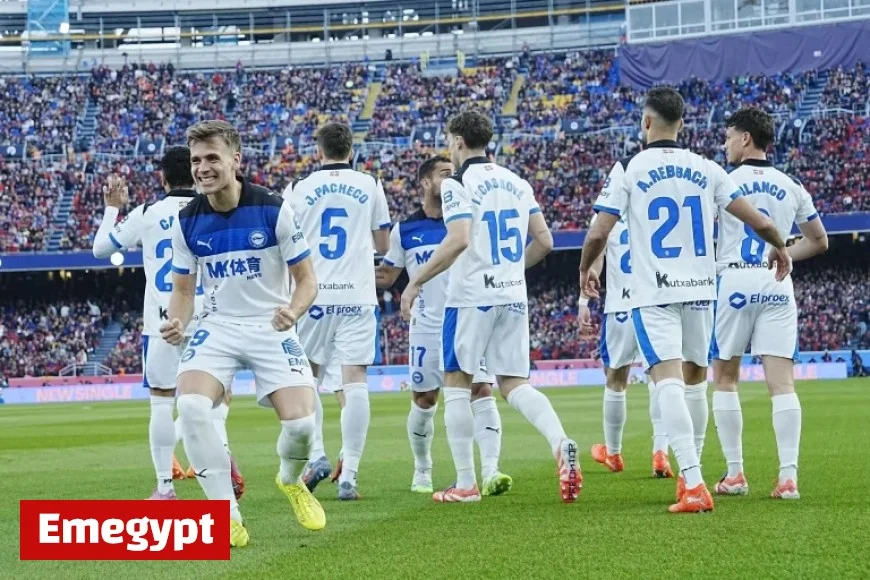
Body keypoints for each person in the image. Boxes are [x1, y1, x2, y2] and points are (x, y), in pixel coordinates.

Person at [579, 87, 793, 513]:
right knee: (696, 381)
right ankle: (686, 474)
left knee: (668, 382)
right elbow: (759, 220)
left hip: (655, 293)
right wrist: (781, 246)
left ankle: (693, 483)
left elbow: (600, 232)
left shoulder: (629, 167)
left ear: (646, 122)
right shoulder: (707, 168)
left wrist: (586, 267)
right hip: (700, 292)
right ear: (682, 124)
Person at [401, 110, 580, 504]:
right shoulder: (516, 181)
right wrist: (512, 270)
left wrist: (416, 281)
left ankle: (466, 483)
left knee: (457, 383)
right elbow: (545, 241)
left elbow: (459, 238)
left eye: (450, 141)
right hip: (512, 295)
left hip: (470, 298)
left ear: (459, 142)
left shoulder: (457, 182)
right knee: (514, 384)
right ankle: (560, 441)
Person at [160, 120, 324, 548]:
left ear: (236, 159)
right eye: (196, 160)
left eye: (212, 158)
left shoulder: (273, 208)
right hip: (216, 327)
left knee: (303, 426)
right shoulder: (186, 221)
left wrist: (293, 310)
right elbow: (182, 291)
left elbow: (307, 280)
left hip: (271, 325)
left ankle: (291, 481)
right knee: (192, 407)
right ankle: (223, 512)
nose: (202, 168)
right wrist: (177, 321)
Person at [91, 146, 244, 501]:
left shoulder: (147, 213)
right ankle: (221, 475)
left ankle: (164, 487)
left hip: (161, 322)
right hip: (209, 319)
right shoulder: (213, 209)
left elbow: (101, 248)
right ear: (195, 173)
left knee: (161, 401)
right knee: (216, 401)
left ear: (161, 178)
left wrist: (113, 207)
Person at [711, 107, 828, 500]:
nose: (725, 144)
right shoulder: (790, 183)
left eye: (729, 136)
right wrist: (784, 254)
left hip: (734, 279)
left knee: (725, 379)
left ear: (745, 138)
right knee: (783, 385)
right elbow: (820, 240)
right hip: (778, 283)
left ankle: (735, 475)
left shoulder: (723, 181)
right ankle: (788, 478)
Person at [377, 155, 511, 496]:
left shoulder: (466, 219)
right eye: (444, 173)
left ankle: (491, 469)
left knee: (481, 389)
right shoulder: (404, 230)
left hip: (469, 319)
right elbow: (388, 275)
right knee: (424, 399)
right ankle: (423, 468)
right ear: (425, 182)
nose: (452, 177)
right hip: (426, 324)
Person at [283, 122, 391, 501]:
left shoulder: (298, 188)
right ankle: (351, 476)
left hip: (312, 295)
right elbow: (383, 241)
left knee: (306, 380)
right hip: (358, 296)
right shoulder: (370, 184)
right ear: (351, 150)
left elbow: (287, 242)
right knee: (355, 380)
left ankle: (316, 455)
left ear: (319, 150)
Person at [578, 214, 673, 478]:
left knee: (615, 380)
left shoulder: (607, 210)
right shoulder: (654, 194)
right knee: (660, 378)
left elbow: (597, 250)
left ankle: (614, 454)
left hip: (621, 306)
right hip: (657, 303)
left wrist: (582, 303)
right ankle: (660, 452)